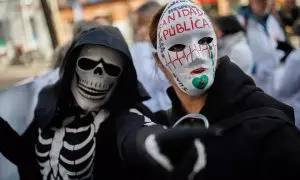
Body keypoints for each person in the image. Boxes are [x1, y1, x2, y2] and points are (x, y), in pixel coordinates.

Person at [116, 0, 300, 179]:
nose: (196, 56)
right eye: (178, 46)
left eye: (204, 41)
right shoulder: (162, 129)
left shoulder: (269, 127)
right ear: (159, 61)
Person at [0, 26, 150, 180]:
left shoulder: (123, 116)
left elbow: (139, 134)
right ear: (72, 68)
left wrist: (152, 141)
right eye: (87, 64)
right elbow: (23, 154)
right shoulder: (53, 109)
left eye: (111, 69)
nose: (97, 74)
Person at [237, 0, 286, 95]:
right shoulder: (242, 21)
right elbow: (234, 51)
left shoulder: (273, 20)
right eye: (260, 1)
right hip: (254, 79)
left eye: (267, 1)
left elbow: (280, 41)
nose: (264, 4)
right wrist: (254, 68)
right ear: (251, 2)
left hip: (275, 78)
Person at [131, 1, 171, 112]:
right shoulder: (137, 48)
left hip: (170, 110)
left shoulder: (171, 45)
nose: (140, 30)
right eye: (138, 25)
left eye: (144, 24)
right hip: (150, 112)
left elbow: (156, 80)